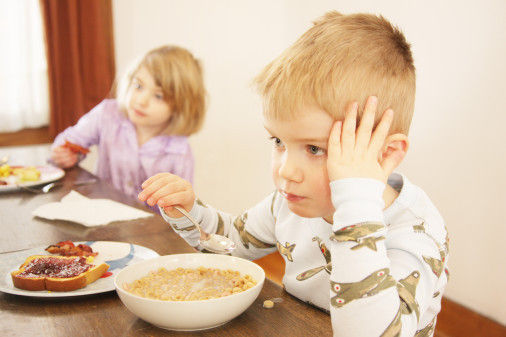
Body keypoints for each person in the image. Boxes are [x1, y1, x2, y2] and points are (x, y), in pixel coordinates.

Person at [138, 12, 448, 336]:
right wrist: (189, 212)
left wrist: (355, 201)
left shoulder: (415, 232)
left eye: (315, 149)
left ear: (384, 154)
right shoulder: (289, 202)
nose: (286, 171)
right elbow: (232, 243)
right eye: (278, 141)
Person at [50, 45, 206, 200]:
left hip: (151, 224)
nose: (141, 101)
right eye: (138, 86)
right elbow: (66, 142)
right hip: (101, 215)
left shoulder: (180, 151)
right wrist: (64, 155)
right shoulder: (107, 114)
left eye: (158, 96)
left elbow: (183, 209)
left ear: (180, 106)